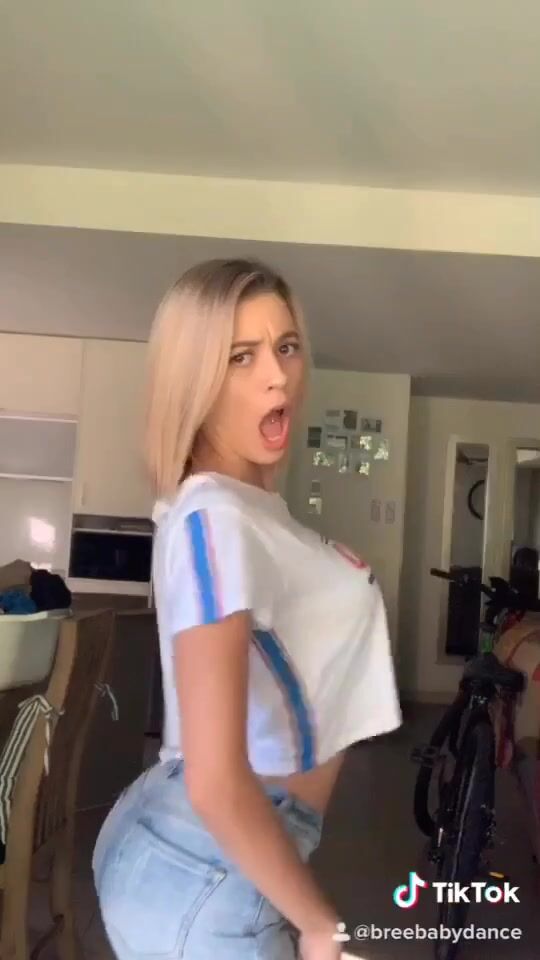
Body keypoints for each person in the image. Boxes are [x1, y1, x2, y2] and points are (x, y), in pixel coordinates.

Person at [92, 258, 402, 959]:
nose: (277, 376)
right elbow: (214, 779)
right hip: (207, 869)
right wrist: (319, 924)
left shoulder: (244, 508)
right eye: (241, 356)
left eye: (285, 347)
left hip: (204, 851)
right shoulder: (215, 518)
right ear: (194, 379)